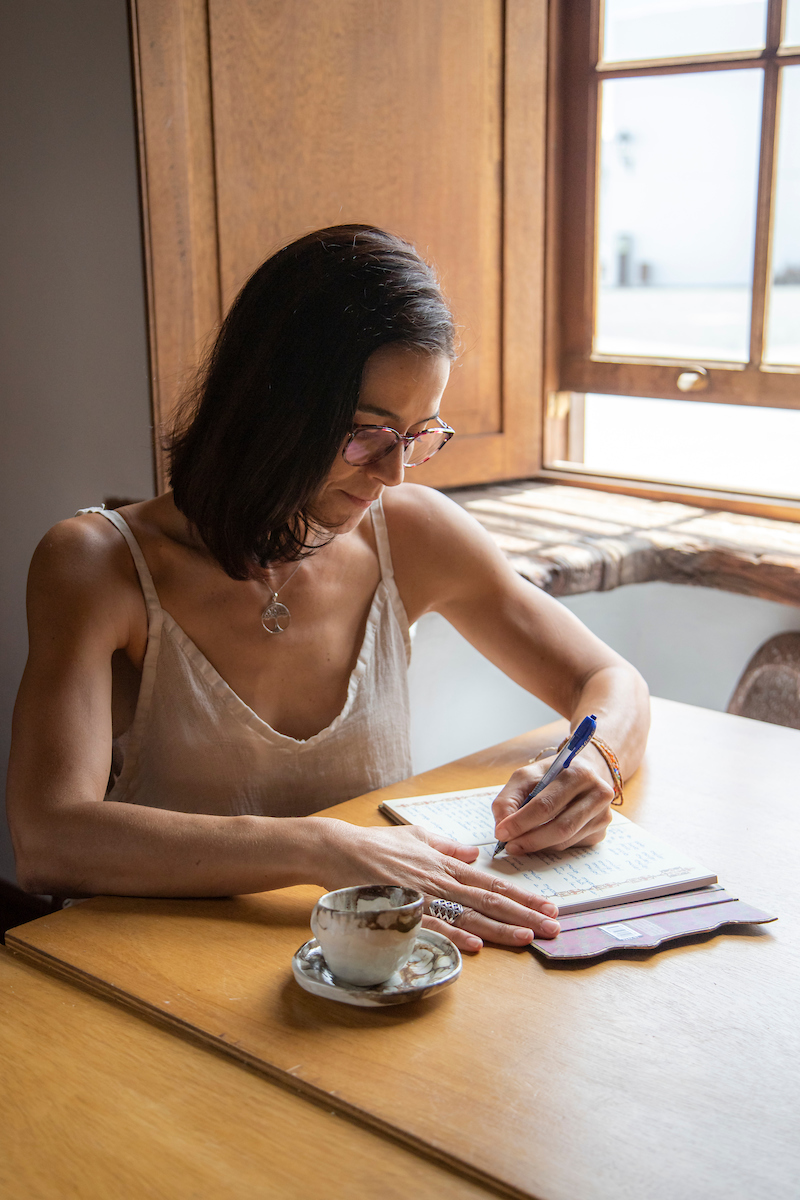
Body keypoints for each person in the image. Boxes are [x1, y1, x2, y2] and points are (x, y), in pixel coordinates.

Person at [7, 225, 650, 954]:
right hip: (155, 970)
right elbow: (48, 838)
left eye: (418, 435)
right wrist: (317, 848)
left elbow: (610, 679)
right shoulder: (96, 566)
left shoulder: (411, 533)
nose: (394, 473)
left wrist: (596, 764)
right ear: (272, 406)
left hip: (368, 968)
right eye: (366, 434)